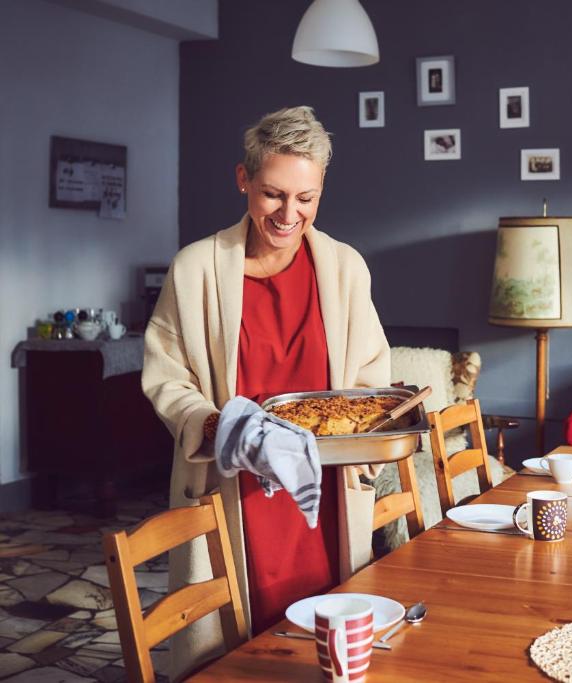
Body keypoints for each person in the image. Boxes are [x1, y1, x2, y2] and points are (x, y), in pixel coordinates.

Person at [142, 105, 389, 680]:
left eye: (307, 198)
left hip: (323, 494)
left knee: (326, 650)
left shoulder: (346, 268)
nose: (289, 214)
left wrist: (363, 421)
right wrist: (219, 425)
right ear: (243, 179)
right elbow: (165, 376)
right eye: (274, 194)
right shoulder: (196, 269)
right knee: (235, 659)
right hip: (231, 490)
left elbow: (372, 375)